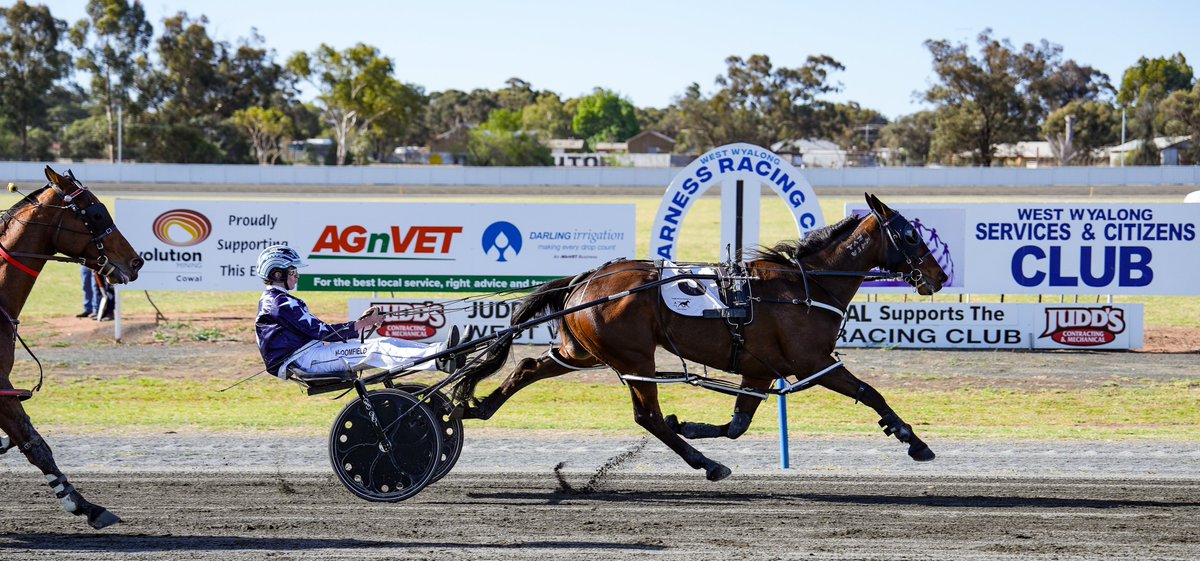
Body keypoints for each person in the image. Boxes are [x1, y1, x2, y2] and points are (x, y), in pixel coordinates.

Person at [253, 245, 464, 379]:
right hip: (303, 360)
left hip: (309, 354)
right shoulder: (279, 303)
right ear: (278, 273)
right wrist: (362, 324)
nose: (297, 276)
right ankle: (438, 359)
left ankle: (441, 351)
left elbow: (321, 333)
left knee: (387, 342)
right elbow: (324, 333)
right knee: (377, 348)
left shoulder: (280, 301)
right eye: (293, 271)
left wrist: (362, 324)